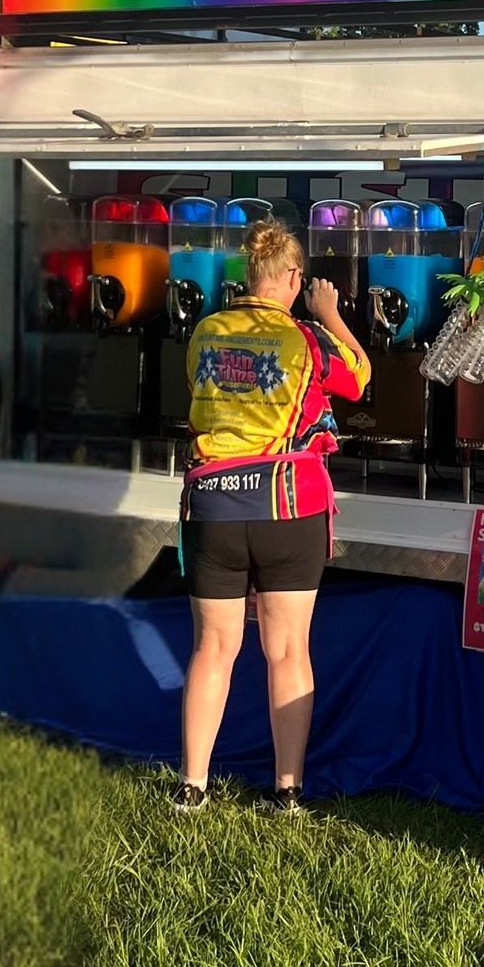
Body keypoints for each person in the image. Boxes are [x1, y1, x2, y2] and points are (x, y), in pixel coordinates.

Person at [174, 219, 370, 813]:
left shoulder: (206, 330)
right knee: (287, 651)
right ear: (291, 277)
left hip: (214, 506)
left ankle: (193, 786)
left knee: (213, 649)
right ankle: (287, 792)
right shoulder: (307, 339)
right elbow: (360, 379)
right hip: (287, 505)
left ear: (246, 275)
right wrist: (330, 313)